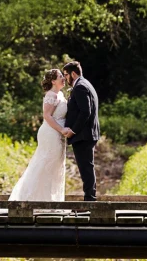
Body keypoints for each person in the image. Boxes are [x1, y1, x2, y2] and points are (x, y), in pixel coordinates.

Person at [9, 69, 70, 201]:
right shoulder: (51, 95)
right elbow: (47, 116)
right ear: (53, 81)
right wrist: (61, 129)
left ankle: (51, 200)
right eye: (60, 76)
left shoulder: (60, 95)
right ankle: (31, 199)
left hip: (58, 135)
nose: (64, 78)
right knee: (46, 164)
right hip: (51, 133)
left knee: (56, 166)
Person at [62, 61, 100, 201]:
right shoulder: (85, 84)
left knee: (86, 168)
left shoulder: (80, 87)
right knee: (87, 167)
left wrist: (73, 130)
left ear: (73, 73)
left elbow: (85, 112)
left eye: (66, 75)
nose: (65, 79)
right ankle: (90, 198)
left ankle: (90, 200)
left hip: (83, 135)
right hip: (87, 134)